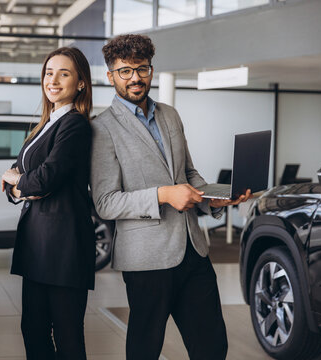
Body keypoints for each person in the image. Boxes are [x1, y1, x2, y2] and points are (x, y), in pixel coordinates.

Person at [90, 34, 251, 360]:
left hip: (194, 249)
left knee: (212, 346)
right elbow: (106, 202)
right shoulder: (102, 128)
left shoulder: (170, 115)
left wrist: (217, 198)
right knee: (145, 349)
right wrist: (164, 195)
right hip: (146, 259)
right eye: (125, 71)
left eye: (142, 69)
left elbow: (189, 176)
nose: (135, 77)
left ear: (151, 70)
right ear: (111, 76)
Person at [1, 47, 95, 360]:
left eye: (63, 73)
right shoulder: (46, 124)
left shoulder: (76, 125)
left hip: (64, 249)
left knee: (68, 339)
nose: (52, 80)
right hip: (38, 247)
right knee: (33, 331)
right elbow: (19, 181)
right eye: (48, 72)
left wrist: (20, 182)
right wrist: (18, 187)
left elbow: (43, 179)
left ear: (80, 82)